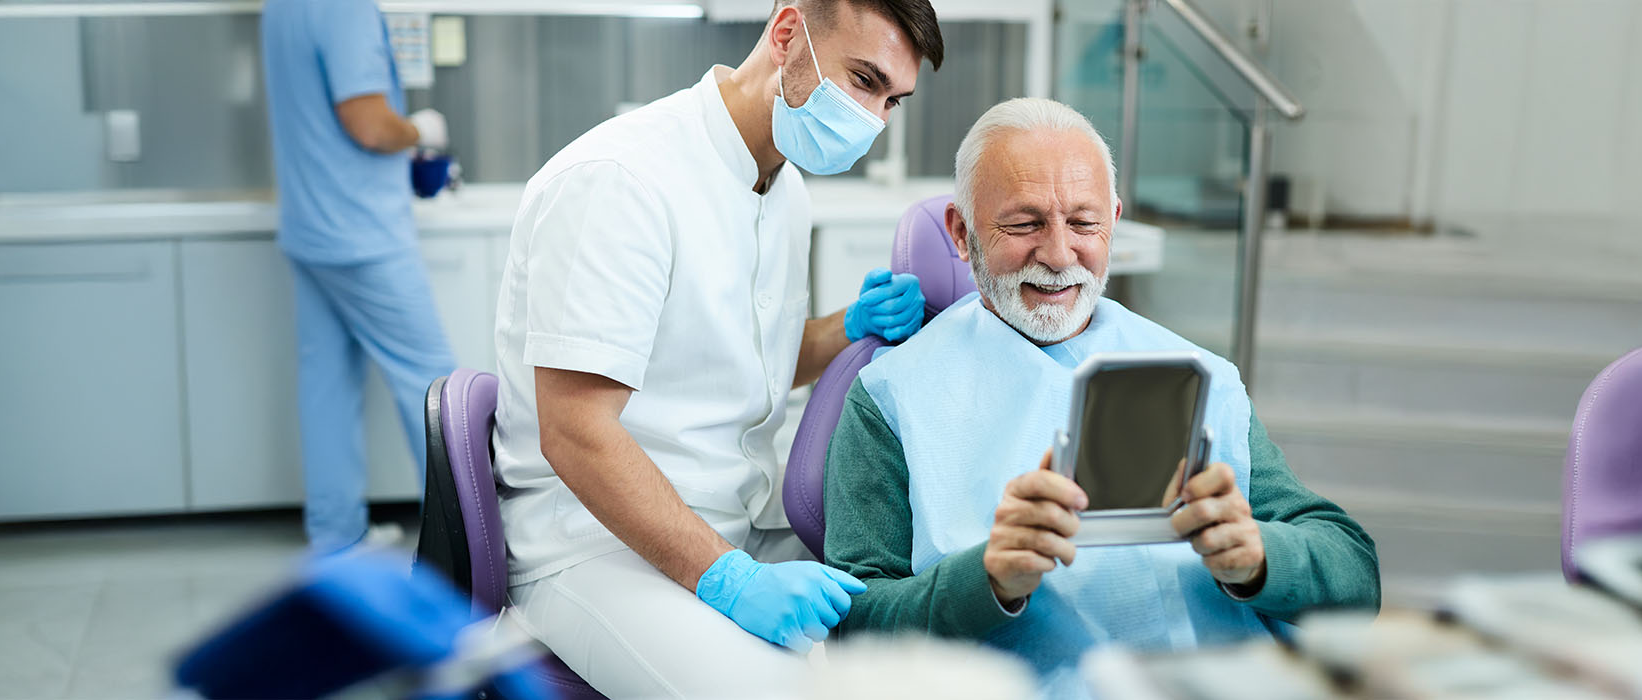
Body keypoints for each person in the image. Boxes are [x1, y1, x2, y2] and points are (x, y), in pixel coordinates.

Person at [823, 98, 1381, 696]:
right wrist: (985, 581)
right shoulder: (892, 396)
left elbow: (1356, 574)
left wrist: (1260, 557)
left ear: (1113, 221)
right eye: (1025, 224)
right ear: (962, 233)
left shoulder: (1199, 377)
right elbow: (853, 625)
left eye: (1084, 224)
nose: (1059, 255)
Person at [490, 1, 945, 696]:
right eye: (863, 80)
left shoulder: (784, 188)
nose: (873, 121)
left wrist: (851, 325)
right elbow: (576, 432)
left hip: (734, 520)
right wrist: (729, 579)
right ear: (788, 35)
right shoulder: (622, 179)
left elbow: (745, 360)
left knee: (919, 632)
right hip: (593, 544)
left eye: (892, 101)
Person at [261, 0, 457, 554]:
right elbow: (370, 125)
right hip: (362, 235)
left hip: (311, 227)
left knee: (327, 384)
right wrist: (417, 129)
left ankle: (336, 538)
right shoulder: (343, 6)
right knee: (437, 388)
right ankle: (461, 549)